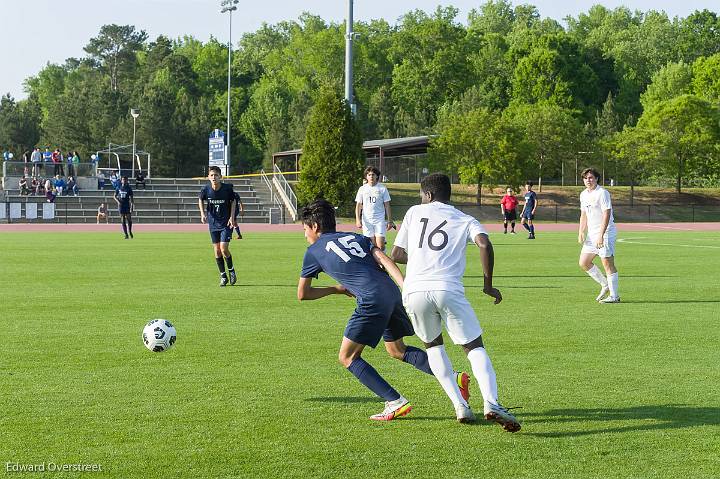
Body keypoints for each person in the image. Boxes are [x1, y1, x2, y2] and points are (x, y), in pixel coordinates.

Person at [298, 199, 469, 421]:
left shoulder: (313, 251)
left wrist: (335, 289)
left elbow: (303, 294)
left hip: (371, 299)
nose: (305, 235)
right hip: (391, 291)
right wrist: (405, 287)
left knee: (347, 357)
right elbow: (385, 260)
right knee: (397, 350)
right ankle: (454, 377)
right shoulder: (357, 237)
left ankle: (395, 401)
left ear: (314, 227)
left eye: (304, 229)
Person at [391, 173, 521, 431]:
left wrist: (420, 258)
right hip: (447, 288)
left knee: (433, 347)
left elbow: (396, 254)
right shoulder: (464, 218)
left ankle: (460, 406)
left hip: (414, 291)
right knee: (473, 347)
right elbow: (484, 243)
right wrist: (487, 285)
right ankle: (492, 402)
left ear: (427, 195)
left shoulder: (414, 212)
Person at [578, 168, 620, 303]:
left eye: (591, 178)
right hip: (592, 234)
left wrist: (601, 235)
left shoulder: (602, 193)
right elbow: (583, 214)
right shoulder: (583, 194)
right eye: (585, 178)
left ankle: (614, 296)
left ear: (596, 179)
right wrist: (581, 231)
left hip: (606, 232)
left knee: (607, 262)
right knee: (584, 262)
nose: (588, 180)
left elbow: (606, 214)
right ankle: (605, 284)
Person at [198, 166, 237, 286]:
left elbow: (233, 201)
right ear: (208, 177)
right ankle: (223, 276)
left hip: (225, 223)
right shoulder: (206, 189)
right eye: (212, 175)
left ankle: (231, 271)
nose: (214, 177)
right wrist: (202, 214)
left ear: (220, 177)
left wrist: (232, 217)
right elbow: (200, 199)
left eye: (216, 175)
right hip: (213, 223)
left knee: (224, 248)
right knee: (217, 251)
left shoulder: (227, 188)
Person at [354, 166, 394, 251]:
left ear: (377, 176)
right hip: (367, 221)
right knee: (372, 245)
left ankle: (382, 262)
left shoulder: (382, 188)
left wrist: (390, 221)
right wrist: (358, 219)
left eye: (373, 174)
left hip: (379, 220)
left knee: (380, 246)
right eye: (369, 175)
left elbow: (387, 205)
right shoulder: (362, 189)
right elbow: (358, 205)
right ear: (366, 176)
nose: (371, 176)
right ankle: (376, 264)